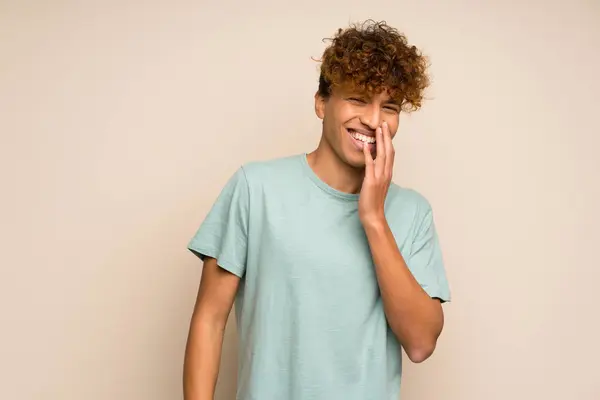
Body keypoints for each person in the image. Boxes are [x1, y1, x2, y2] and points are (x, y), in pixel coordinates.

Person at [183, 20, 451, 400]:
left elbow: (422, 343)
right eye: (358, 99)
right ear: (321, 102)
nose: (374, 121)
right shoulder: (255, 188)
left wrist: (374, 219)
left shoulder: (413, 213)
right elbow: (209, 321)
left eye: (388, 107)